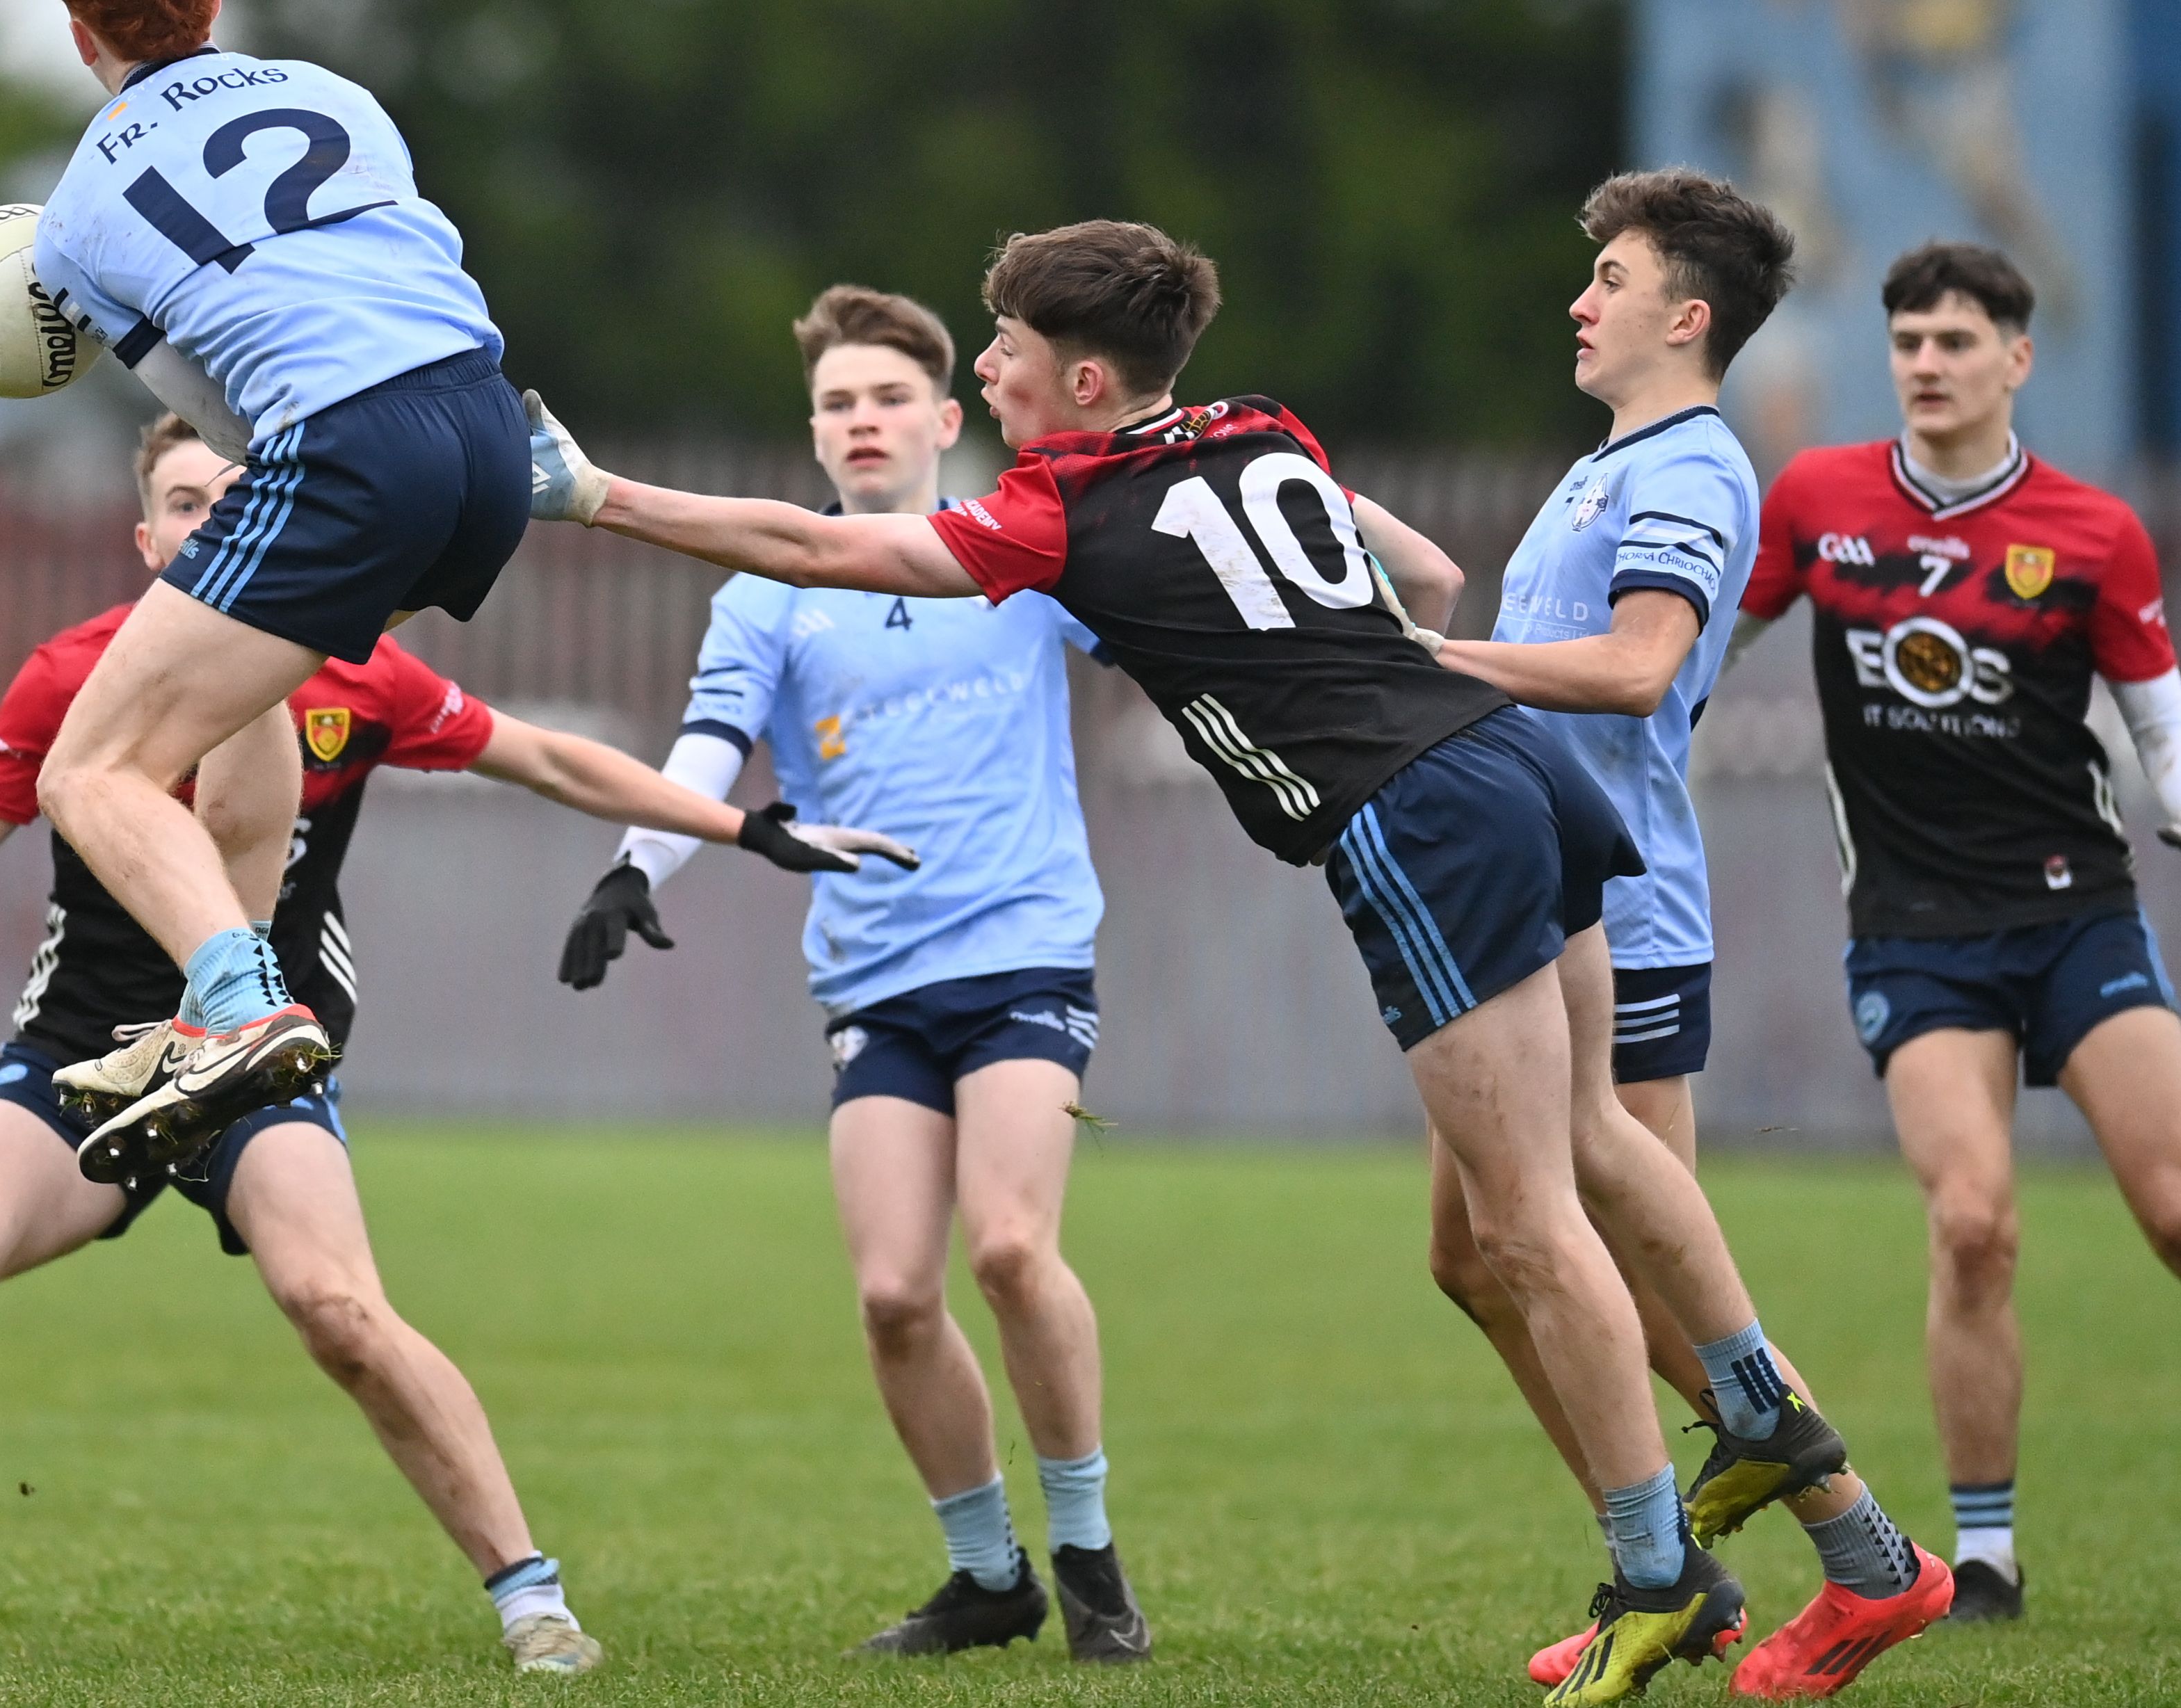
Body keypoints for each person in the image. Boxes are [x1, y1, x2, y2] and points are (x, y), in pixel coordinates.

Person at [524, 217, 1904, 1704]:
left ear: (1092, 380)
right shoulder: (1257, 421)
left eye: (1007, 350)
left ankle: (1653, 1576)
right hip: (1515, 770)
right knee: (1584, 1152)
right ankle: (1787, 1450)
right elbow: (1425, 581)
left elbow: (812, 545)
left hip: (1413, 819)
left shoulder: (1057, 515)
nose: (983, 368)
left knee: (1522, 1221)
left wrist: (594, 493)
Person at [0, 414, 912, 1671]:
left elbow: (546, 756)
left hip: (258, 1057)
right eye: (185, 501)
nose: (212, 517)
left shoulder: (356, 673)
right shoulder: (72, 675)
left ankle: (531, 1597)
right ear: (145, 535)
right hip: (86, 1054)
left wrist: (741, 827)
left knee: (337, 1306)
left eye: (237, 496)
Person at [559, 286, 1217, 1661]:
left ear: (945, 417)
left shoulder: (1027, 556)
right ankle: (989, 1579)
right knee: (892, 1296)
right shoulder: (771, 592)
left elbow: (1181, 633)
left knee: (1011, 1247)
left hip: (1025, 951)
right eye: (838, 405)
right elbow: (708, 749)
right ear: (815, 434)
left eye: (886, 399)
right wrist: (638, 867)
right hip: (873, 984)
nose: (863, 422)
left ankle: (1090, 1558)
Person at [1431, 172, 1949, 1696]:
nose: (1577, 302)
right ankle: (1690, 1565)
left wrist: (1423, 665)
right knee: (1473, 1253)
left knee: (1612, 1265)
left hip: (1617, 910)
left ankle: (1847, 1564)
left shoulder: (1693, 470)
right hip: (1534, 894)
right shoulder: (1611, 462)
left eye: (1608, 277)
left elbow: (1640, 668)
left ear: (1685, 314)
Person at [2, 0, 517, 1184]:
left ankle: (244, 998)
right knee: (244, 692)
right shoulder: (337, 96)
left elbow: (224, 424)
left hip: (355, 454)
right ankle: (195, 1020)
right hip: (486, 432)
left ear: (77, 30)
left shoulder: (69, 224)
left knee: (90, 769)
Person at [1731, 240, 2181, 1625]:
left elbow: (2161, 717)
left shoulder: (2091, 531)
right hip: (1916, 931)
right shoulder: (1817, 499)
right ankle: (1981, 1555)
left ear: (2015, 360)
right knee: (1974, 1223)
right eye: (1908, 342)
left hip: (2075, 913)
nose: (1927, 365)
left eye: (1954, 343)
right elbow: (1695, 652)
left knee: (2172, 1212)